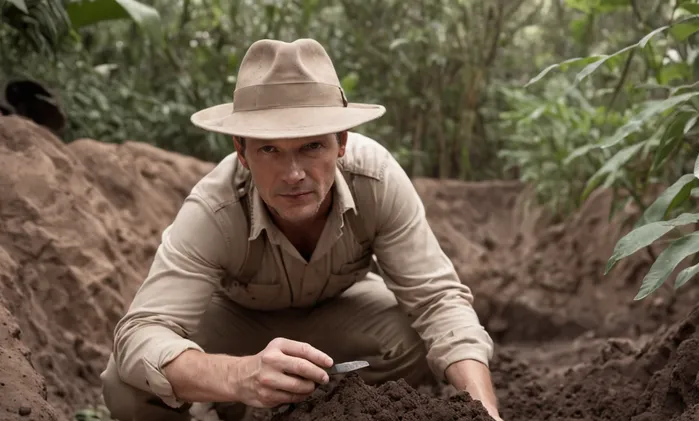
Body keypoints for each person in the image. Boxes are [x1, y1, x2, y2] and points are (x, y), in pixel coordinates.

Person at [100, 38, 503, 421]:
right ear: (241, 151)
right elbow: (140, 332)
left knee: (414, 340)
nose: (294, 174)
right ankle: (228, 409)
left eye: (312, 147)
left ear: (341, 142)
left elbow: (438, 300)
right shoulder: (214, 208)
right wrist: (237, 376)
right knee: (126, 384)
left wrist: (482, 412)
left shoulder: (376, 180)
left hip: (342, 314)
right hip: (238, 321)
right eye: (270, 150)